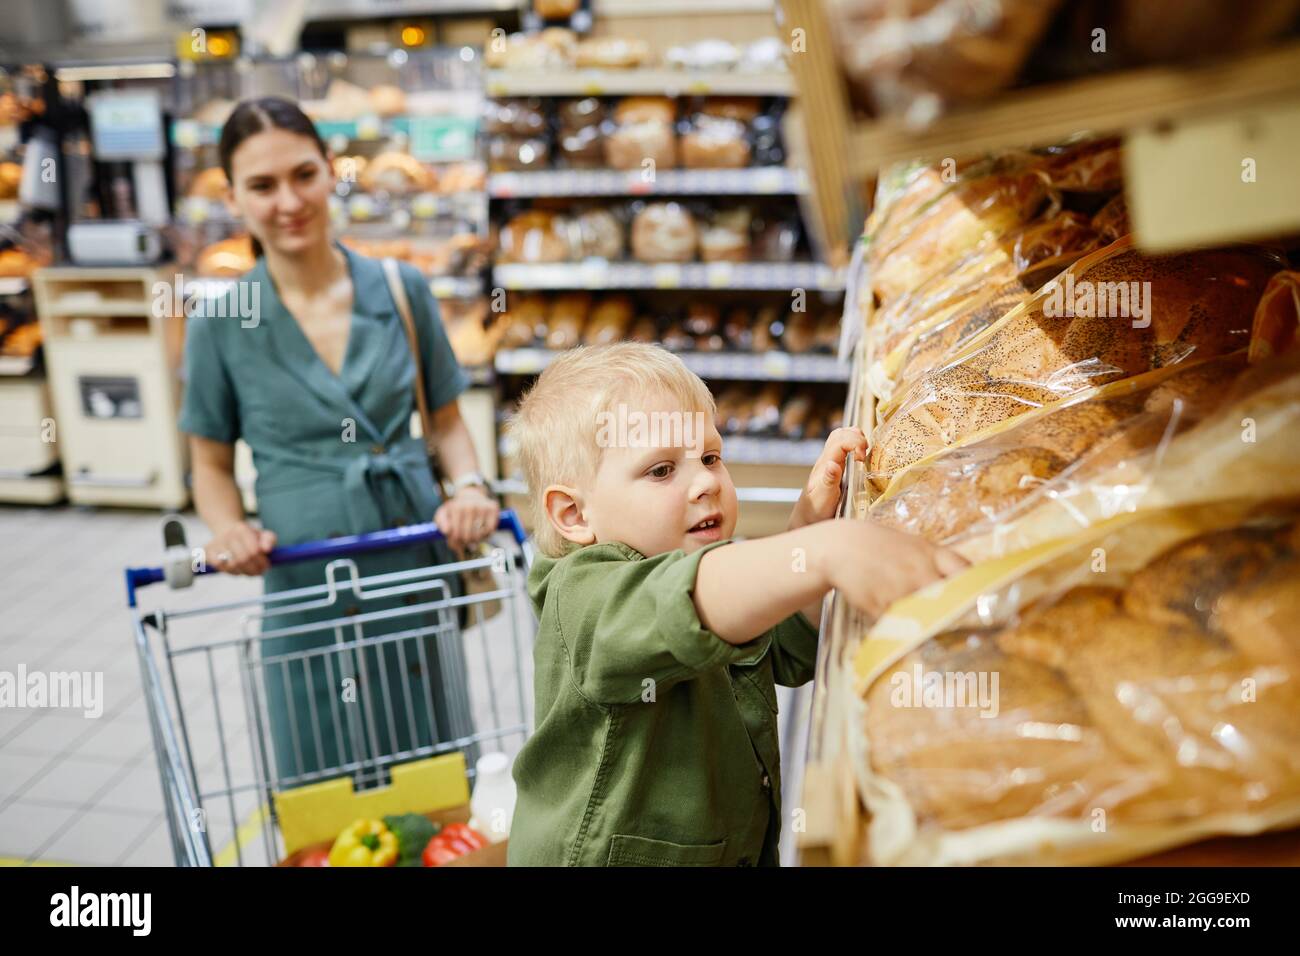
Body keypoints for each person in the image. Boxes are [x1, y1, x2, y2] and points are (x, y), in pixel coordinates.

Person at [504, 342, 967, 865]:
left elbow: (783, 650)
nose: (705, 482)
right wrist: (820, 553)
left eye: (709, 457)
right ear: (573, 515)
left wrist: (810, 525)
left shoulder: (720, 583)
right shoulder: (583, 597)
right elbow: (676, 601)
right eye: (661, 471)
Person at [178, 96, 498, 788]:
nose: (288, 201)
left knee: (437, 782)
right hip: (305, 581)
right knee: (325, 791)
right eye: (262, 186)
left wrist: (471, 486)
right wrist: (229, 529)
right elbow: (207, 463)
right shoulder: (222, 322)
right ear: (233, 198)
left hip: (411, 562)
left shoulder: (401, 289)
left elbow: (444, 420)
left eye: (303, 175)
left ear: (330, 171)